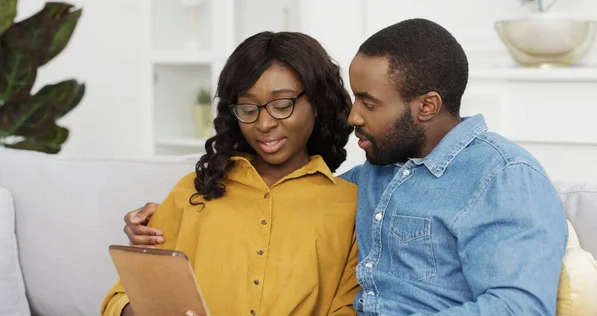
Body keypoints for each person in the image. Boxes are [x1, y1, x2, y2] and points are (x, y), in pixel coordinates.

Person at [125, 19, 568, 315]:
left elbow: (519, 308)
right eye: (354, 99)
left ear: (427, 106)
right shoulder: (366, 180)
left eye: (368, 103)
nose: (352, 115)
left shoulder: (503, 176)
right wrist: (162, 222)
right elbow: (288, 205)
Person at [101, 31, 361, 316]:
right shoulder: (193, 192)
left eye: (282, 105)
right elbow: (120, 299)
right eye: (248, 109)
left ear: (318, 104)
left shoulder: (351, 205)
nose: (263, 123)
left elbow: (349, 308)